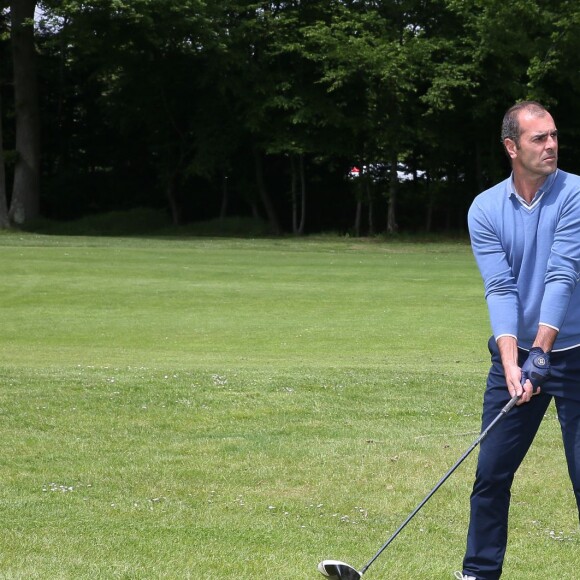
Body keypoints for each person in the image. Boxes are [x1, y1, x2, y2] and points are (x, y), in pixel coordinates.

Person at [455, 101, 580, 580]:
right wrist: (512, 362)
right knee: (491, 472)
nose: (551, 145)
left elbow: (562, 274)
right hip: (518, 356)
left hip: (572, 353)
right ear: (512, 147)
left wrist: (541, 353)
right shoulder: (485, 208)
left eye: (553, 135)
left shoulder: (573, 194)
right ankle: (479, 573)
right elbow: (500, 288)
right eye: (538, 138)